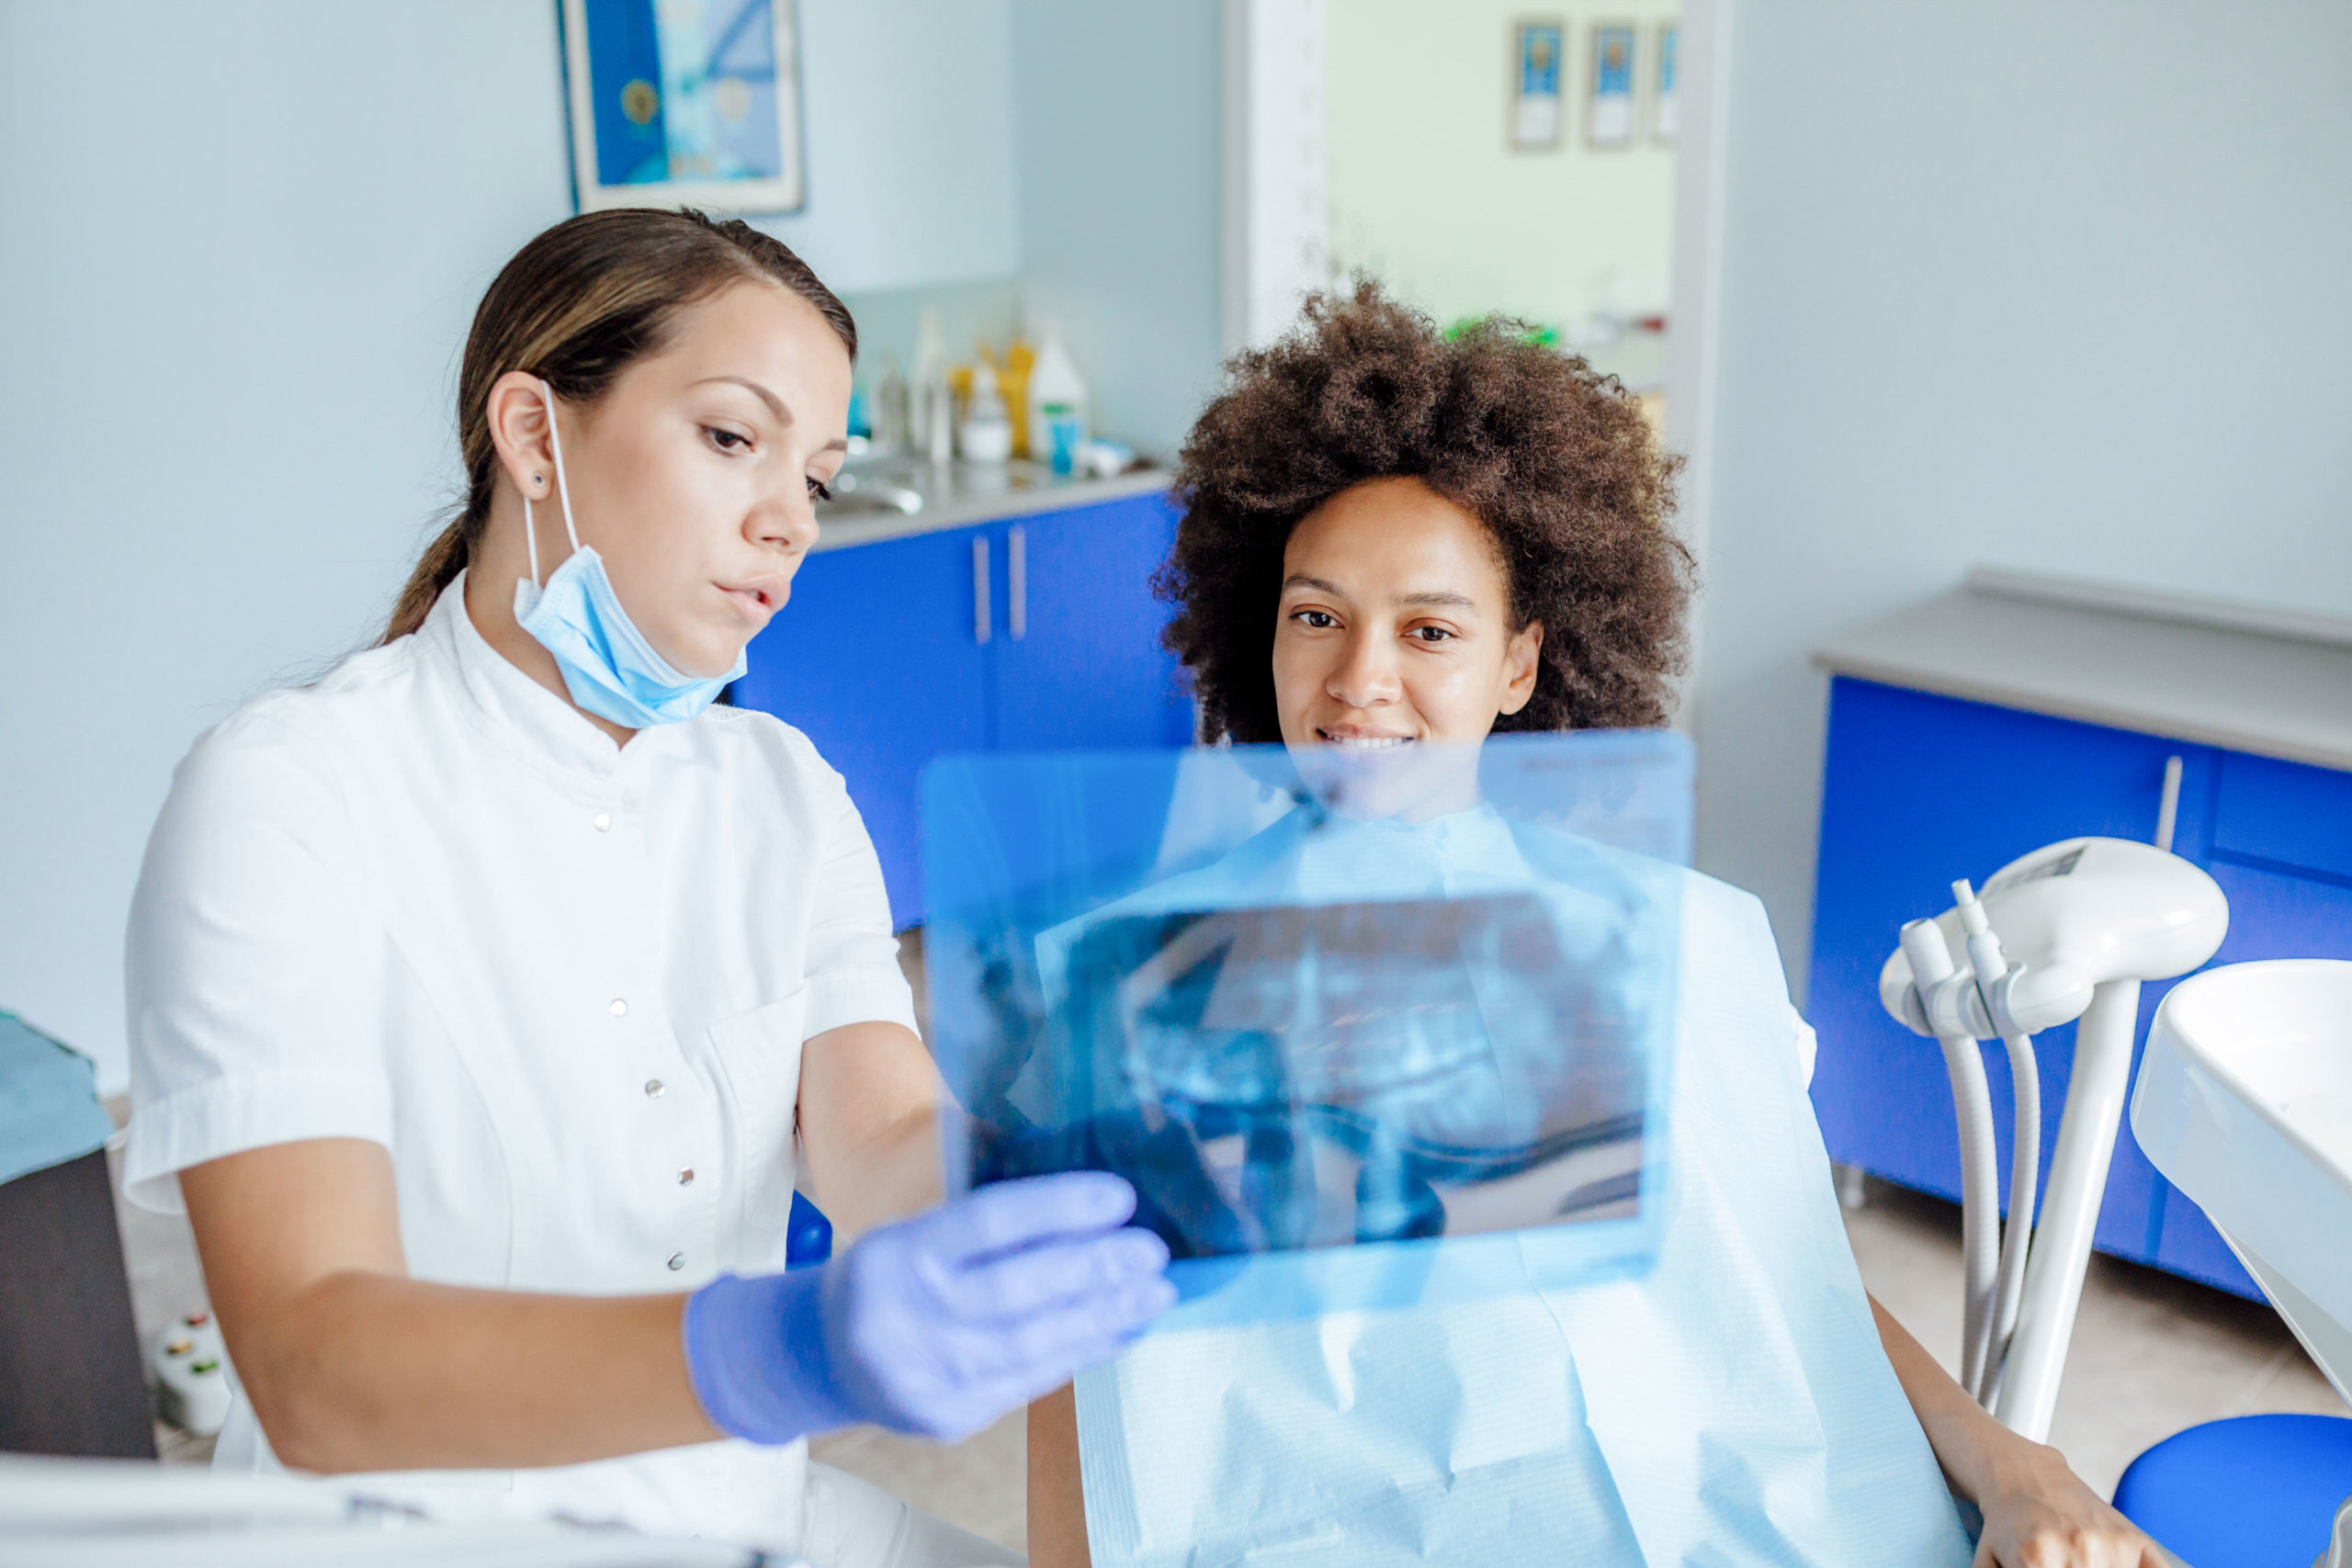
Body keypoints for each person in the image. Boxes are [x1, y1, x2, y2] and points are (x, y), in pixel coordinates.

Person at [1025, 284, 2163, 1567]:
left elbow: (1788, 1282)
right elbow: (1079, 1388)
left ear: (1519, 666)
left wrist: (2012, 1464)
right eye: (1316, 614)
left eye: (1431, 630)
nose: (1358, 680)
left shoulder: (1684, 945)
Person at [121, 209, 1172, 1567]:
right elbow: (317, 1367)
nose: (788, 521)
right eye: (735, 438)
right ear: (533, 434)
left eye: (819, 475)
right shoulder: (289, 795)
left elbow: (878, 1137)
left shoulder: (783, 791)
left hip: (729, 1516)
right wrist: (788, 1348)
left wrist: (1057, 1178)